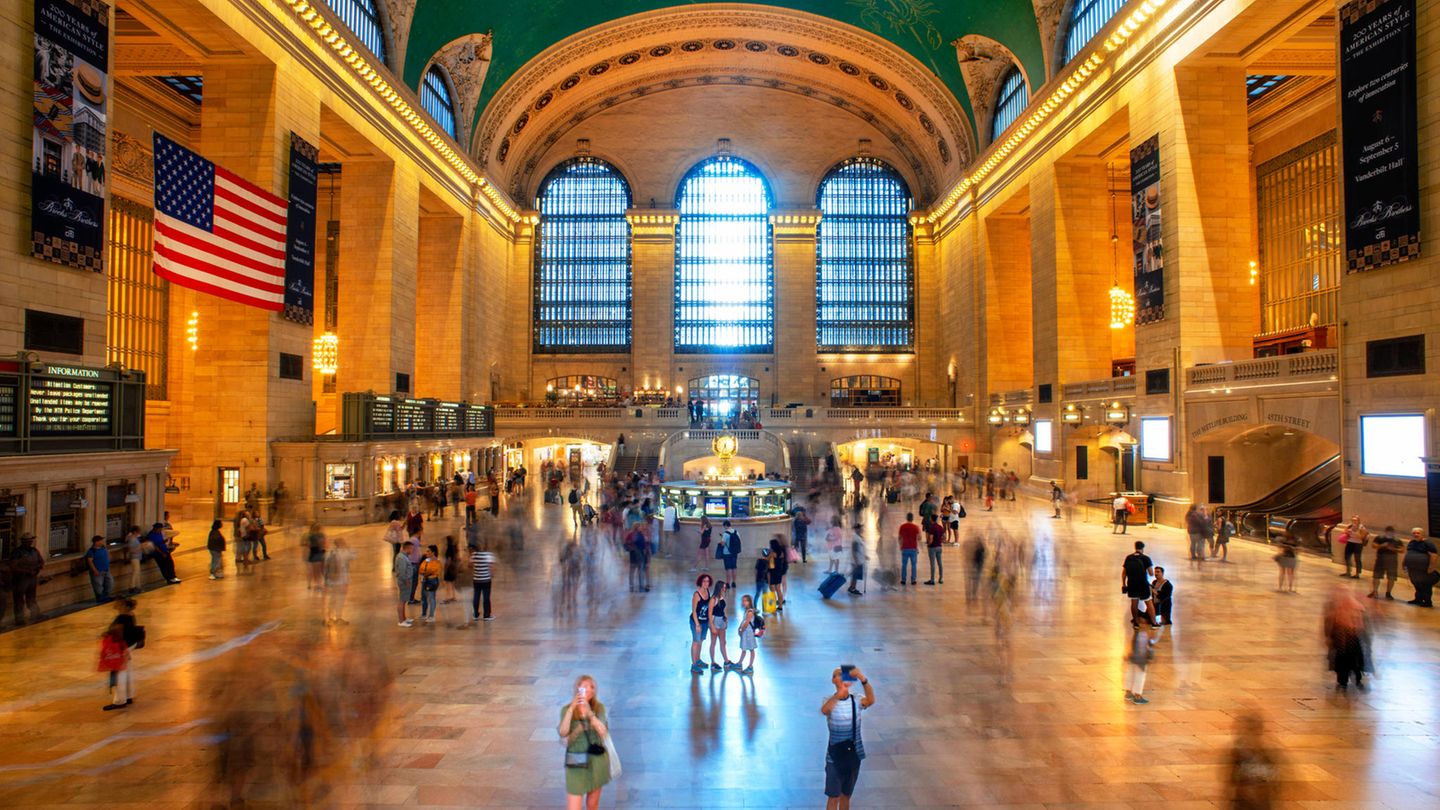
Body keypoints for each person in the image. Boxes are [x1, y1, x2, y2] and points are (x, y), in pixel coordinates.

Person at [821, 665, 875, 809]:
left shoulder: (856, 700)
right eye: (837, 675)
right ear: (833, 680)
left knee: (846, 795)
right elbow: (825, 710)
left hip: (853, 754)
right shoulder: (829, 701)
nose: (840, 677)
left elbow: (870, 700)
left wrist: (862, 679)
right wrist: (838, 695)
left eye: (842, 674)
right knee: (833, 796)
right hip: (835, 757)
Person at [558, 674, 612, 810]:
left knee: (592, 805)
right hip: (576, 763)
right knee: (573, 807)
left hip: (597, 762)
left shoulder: (599, 708)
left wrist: (589, 713)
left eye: (592, 687)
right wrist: (572, 709)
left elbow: (603, 732)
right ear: (578, 688)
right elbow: (563, 733)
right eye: (585, 686)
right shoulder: (566, 709)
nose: (588, 689)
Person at [1324, 585, 1370, 692]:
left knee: (1345, 660)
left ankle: (1344, 681)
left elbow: (1334, 622)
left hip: (1345, 638)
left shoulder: (1342, 608)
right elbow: (1360, 625)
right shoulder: (1355, 607)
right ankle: (1350, 680)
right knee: (1351, 660)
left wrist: (1330, 637)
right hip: (1349, 638)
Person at [1229, 712, 1279, 810]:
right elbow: (1230, 782)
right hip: (1243, 805)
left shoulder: (1267, 755)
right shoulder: (1237, 754)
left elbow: (1275, 784)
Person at [107, 598, 140, 709]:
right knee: (128, 671)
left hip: (122, 647)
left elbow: (119, 632)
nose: (116, 607)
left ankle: (120, 700)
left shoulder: (121, 618)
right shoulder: (131, 615)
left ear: (124, 606)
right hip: (130, 645)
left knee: (119, 673)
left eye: (118, 605)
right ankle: (129, 695)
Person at [10, 533, 44, 624]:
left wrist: (37, 568)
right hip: (21, 579)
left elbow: (41, 561)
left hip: (32, 578)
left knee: (31, 597)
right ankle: (19, 618)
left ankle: (35, 614)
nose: (30, 542)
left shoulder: (34, 551)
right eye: (28, 541)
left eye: (30, 541)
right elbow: (13, 566)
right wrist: (26, 571)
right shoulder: (17, 552)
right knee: (19, 599)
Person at [98, 621, 131, 711]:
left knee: (119, 680)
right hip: (122, 660)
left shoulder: (117, 641)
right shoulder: (121, 641)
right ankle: (126, 698)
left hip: (119, 661)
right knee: (122, 678)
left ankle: (119, 701)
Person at [1121, 541, 1155, 626]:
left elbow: (1124, 573)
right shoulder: (1146, 558)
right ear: (1143, 548)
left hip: (1132, 584)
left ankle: (1136, 622)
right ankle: (1154, 623)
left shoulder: (1129, 558)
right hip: (1143, 584)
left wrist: (1124, 584)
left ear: (1135, 547)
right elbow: (1151, 573)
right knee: (1148, 602)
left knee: (1134, 603)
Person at [1403, 527, 1438, 607]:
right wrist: (1404, 563)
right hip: (1413, 570)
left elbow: (1434, 555)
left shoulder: (1428, 543)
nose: (1416, 534)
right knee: (1416, 584)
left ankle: (1427, 602)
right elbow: (1408, 553)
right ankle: (1418, 599)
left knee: (1426, 585)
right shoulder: (1411, 542)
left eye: (1418, 533)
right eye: (1414, 533)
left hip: (1424, 570)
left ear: (1422, 534)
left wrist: (1431, 567)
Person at [322, 538, 353, 625]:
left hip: (331, 580)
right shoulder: (345, 553)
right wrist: (347, 546)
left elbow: (325, 568)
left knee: (332, 599)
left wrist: (326, 580)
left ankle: (329, 618)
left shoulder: (329, 553)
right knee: (340, 599)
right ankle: (338, 617)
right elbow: (354, 555)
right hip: (342, 580)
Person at [1368, 526, 1403, 600]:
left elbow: (1402, 550)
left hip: (1392, 560)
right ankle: (1375, 591)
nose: (1389, 533)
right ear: (1386, 531)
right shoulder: (1380, 538)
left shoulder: (1397, 540)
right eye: (1388, 531)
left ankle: (1388, 593)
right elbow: (1374, 545)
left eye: (1391, 531)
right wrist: (1382, 545)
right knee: (1376, 576)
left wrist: (1392, 548)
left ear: (1393, 532)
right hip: (1381, 559)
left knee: (1391, 577)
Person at [1123, 624, 1153, 704]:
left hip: (1132, 658)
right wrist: (1149, 657)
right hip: (1140, 660)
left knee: (1130, 674)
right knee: (1140, 677)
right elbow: (1145, 648)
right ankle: (1137, 696)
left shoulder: (1136, 633)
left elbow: (1131, 645)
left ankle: (1128, 693)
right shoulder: (1145, 635)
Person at [689, 574, 712, 673]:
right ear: (700, 582)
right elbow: (694, 611)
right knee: (695, 641)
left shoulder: (707, 591)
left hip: (705, 621)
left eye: (707, 581)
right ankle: (693, 665)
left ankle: (698, 660)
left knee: (701, 641)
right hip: (696, 621)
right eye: (704, 581)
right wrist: (697, 624)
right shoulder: (696, 595)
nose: (706, 583)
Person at [707, 581, 732, 671]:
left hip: (721, 620)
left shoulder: (722, 597)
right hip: (715, 621)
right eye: (723, 588)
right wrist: (712, 626)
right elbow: (709, 613)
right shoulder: (713, 599)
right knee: (713, 642)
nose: (724, 589)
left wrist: (725, 619)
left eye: (725, 588)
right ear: (719, 588)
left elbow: (722, 609)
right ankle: (713, 662)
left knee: (723, 642)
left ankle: (726, 661)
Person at [733, 593, 759, 674]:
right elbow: (743, 620)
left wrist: (741, 630)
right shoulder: (747, 611)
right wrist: (739, 628)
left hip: (749, 633)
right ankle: (739, 663)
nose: (744, 602)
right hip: (745, 633)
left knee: (751, 649)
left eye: (746, 601)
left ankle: (750, 666)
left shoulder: (750, 612)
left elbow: (747, 622)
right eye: (743, 601)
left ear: (749, 602)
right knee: (744, 649)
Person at [471, 540, 496, 621]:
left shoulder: (474, 555)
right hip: (486, 580)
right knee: (486, 597)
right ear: (486, 546)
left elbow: (469, 565)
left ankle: (475, 614)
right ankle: (486, 615)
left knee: (476, 596)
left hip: (476, 580)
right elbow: (490, 567)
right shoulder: (488, 555)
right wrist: (492, 574)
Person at [393, 540, 416, 627]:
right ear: (408, 548)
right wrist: (406, 581)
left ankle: (404, 618)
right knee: (402, 601)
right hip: (404, 582)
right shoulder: (401, 558)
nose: (412, 551)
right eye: (412, 549)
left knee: (404, 600)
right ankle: (401, 621)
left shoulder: (403, 556)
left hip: (405, 581)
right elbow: (402, 572)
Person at [85, 535, 113, 603]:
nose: (102, 542)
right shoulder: (91, 551)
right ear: (96, 542)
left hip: (106, 569)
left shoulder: (103, 548)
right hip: (97, 571)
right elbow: (90, 561)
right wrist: (94, 570)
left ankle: (106, 596)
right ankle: (100, 598)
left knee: (110, 583)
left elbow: (108, 556)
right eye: (101, 540)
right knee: (98, 585)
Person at [418, 545, 442, 624]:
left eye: (428, 551)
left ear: (433, 552)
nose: (426, 553)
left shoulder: (437, 562)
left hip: (432, 581)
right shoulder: (426, 560)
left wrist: (425, 573)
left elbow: (433, 571)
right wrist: (423, 573)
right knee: (423, 598)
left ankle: (431, 616)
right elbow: (421, 568)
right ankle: (424, 614)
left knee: (431, 598)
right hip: (424, 580)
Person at [624, 522, 649, 593]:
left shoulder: (630, 535)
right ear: (637, 528)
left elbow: (626, 545)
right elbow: (644, 546)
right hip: (640, 556)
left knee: (632, 572)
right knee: (640, 572)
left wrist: (630, 548)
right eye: (640, 526)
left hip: (633, 556)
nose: (641, 528)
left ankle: (631, 587)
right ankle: (641, 587)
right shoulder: (640, 535)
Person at [897, 513, 920, 586]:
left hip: (905, 548)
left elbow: (899, 537)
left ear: (907, 518)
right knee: (913, 565)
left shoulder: (902, 526)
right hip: (913, 548)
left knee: (904, 565)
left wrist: (901, 545)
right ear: (912, 518)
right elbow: (919, 538)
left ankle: (903, 580)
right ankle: (913, 580)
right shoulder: (916, 527)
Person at [767, 536, 789, 609]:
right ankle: (780, 606)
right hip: (779, 572)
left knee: (772, 590)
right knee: (778, 589)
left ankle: (772, 606)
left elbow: (768, 561)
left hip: (772, 572)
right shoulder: (781, 553)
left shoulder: (772, 554)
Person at [923, 515, 945, 585]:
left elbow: (931, 538)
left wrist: (929, 545)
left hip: (932, 547)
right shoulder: (940, 527)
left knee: (932, 564)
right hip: (939, 547)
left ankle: (932, 580)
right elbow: (944, 537)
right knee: (940, 563)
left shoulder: (932, 528)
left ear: (931, 519)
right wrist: (940, 541)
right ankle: (941, 578)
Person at [304, 523, 327, 590]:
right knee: (322, 570)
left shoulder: (309, 536)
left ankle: (315, 584)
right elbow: (323, 544)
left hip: (313, 553)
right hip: (321, 553)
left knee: (315, 571)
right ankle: (324, 583)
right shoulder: (321, 535)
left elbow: (308, 545)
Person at [718, 521, 740, 588]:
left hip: (727, 553)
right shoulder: (736, 532)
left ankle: (728, 583)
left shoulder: (725, 534)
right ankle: (734, 582)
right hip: (734, 553)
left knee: (728, 568)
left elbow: (723, 543)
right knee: (734, 567)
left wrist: (721, 540)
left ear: (725, 526)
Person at [123, 526, 143, 595]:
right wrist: (140, 547)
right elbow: (131, 550)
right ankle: (132, 587)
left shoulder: (134, 538)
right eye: (138, 531)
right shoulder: (132, 539)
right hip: (134, 557)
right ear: (135, 532)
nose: (140, 532)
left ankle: (137, 586)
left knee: (137, 572)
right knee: (135, 572)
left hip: (137, 557)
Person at [847, 524, 867, 596]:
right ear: (857, 529)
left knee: (855, 575)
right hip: (857, 560)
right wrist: (856, 561)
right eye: (860, 528)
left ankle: (851, 587)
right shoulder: (855, 538)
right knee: (855, 575)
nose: (862, 530)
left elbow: (860, 548)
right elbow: (854, 550)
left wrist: (865, 556)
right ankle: (853, 588)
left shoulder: (858, 537)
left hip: (859, 559)